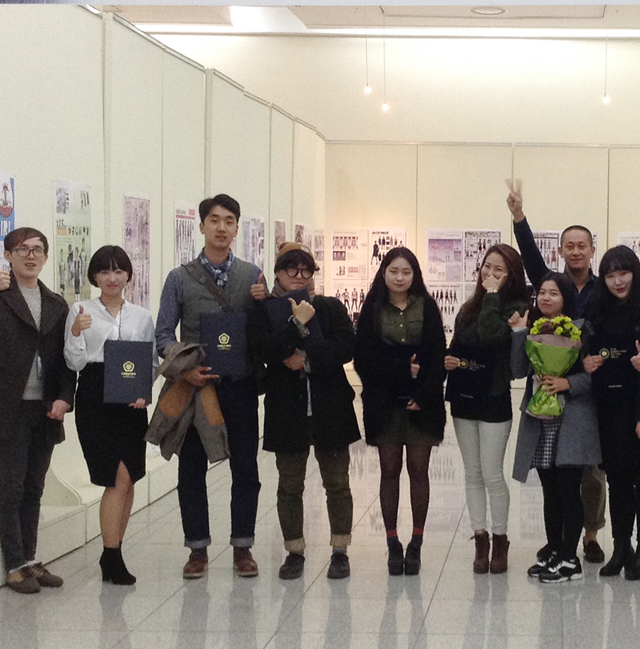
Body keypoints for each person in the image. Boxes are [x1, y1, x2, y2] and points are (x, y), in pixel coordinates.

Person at [0, 227, 74, 594]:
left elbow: (65, 358)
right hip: (8, 407)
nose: (30, 255)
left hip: (44, 407)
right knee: (11, 486)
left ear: (46, 257)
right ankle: (14, 564)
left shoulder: (56, 303)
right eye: (22, 249)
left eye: (37, 249)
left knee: (35, 486)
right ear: (8, 256)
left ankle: (30, 558)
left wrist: (64, 397)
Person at [155, 193, 265, 579]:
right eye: (214, 220)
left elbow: (264, 331)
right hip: (196, 388)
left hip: (240, 385)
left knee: (246, 468)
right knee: (191, 469)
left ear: (237, 228)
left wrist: (266, 302)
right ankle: (197, 549)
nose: (221, 227)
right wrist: (183, 370)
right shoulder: (179, 278)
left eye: (229, 221)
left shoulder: (253, 276)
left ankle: (243, 546)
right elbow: (163, 334)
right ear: (201, 226)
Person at [505, 179, 608, 564]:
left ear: (592, 249)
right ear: (561, 250)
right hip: (548, 403)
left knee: (590, 475)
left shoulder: (601, 290)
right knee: (555, 480)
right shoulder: (551, 286)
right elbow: (530, 255)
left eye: (583, 245)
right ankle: (560, 543)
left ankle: (589, 537)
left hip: (584, 397)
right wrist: (519, 217)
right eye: (570, 246)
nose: (576, 251)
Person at [251, 242, 360, 581]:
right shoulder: (265, 310)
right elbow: (265, 350)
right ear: (278, 274)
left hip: (330, 407)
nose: (299, 276)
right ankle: (294, 551)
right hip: (287, 409)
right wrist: (296, 323)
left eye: (306, 270)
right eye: (291, 269)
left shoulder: (329, 307)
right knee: (289, 485)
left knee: (337, 483)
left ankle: (340, 550)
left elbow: (346, 347)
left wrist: (307, 359)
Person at [64, 245, 155, 586]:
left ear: (128, 275)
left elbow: (150, 362)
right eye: (104, 271)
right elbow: (74, 362)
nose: (112, 278)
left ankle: (113, 550)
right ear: (94, 276)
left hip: (131, 401)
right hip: (95, 396)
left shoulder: (141, 316)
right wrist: (76, 332)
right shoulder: (80, 310)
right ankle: (112, 555)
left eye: (118, 271)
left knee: (129, 478)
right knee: (114, 479)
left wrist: (144, 391)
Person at [354, 247, 446, 577]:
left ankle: (416, 542)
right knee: (389, 470)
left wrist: (423, 394)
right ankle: (393, 543)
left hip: (423, 403)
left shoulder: (428, 306)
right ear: (383, 273)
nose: (399, 277)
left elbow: (437, 356)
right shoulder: (372, 308)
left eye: (406, 272)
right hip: (384, 403)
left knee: (419, 470)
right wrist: (401, 369)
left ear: (415, 275)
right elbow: (364, 360)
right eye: (394, 271)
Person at [509, 272, 600, 583]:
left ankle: (570, 559)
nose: (546, 298)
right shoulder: (534, 329)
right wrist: (519, 333)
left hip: (571, 420)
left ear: (566, 298)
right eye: (542, 293)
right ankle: (555, 550)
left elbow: (594, 377)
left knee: (568, 489)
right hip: (540, 419)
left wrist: (567, 383)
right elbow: (517, 369)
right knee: (549, 490)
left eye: (554, 293)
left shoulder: (582, 330)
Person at [445, 243, 530, 574]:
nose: (490, 273)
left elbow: (492, 335)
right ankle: (480, 537)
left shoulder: (517, 307)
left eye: (499, 270)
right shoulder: (469, 305)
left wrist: (493, 295)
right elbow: (459, 342)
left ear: (511, 276)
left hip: (493, 397)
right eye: (487, 266)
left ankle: (500, 539)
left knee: (492, 473)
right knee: (472, 473)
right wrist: (450, 360)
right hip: (464, 395)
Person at [581, 246, 640, 581]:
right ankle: (621, 547)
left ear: (635, 272)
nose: (617, 281)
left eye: (623, 273)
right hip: (609, 408)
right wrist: (586, 361)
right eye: (610, 275)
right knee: (617, 480)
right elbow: (587, 349)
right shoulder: (598, 308)